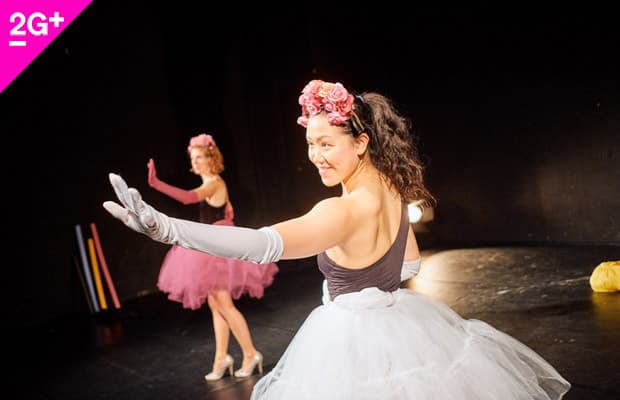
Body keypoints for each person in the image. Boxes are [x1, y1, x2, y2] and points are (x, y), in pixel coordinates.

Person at [103, 80, 571, 399]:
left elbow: (259, 244)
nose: (315, 156)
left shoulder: (340, 211)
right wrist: (373, 280)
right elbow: (410, 265)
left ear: (361, 142)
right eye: (311, 144)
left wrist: (167, 229)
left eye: (327, 144)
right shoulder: (391, 188)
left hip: (354, 340)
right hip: (403, 327)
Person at [145, 133, 278, 381]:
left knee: (224, 305)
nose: (194, 162)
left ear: (210, 159)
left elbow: (188, 198)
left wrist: (156, 183)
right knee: (216, 305)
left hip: (217, 251)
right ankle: (221, 358)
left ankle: (250, 354)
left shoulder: (214, 183)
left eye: (199, 158)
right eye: (192, 158)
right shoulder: (211, 183)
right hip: (211, 246)